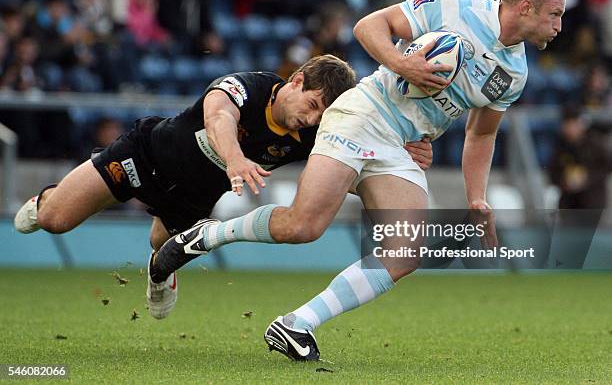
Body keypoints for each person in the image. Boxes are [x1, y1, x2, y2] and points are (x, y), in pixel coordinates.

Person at [149, 0, 565, 361]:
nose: (559, 26)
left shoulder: (515, 72)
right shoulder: (456, 7)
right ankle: (211, 234)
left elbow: (481, 134)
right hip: (365, 114)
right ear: (525, 7)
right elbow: (368, 26)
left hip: (400, 146)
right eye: (555, 15)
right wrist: (402, 64)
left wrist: (477, 197)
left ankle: (297, 324)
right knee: (304, 226)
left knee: (405, 251)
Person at [13, 54, 433, 319]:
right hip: (144, 156)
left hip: (193, 196)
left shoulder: (311, 135)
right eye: (312, 106)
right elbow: (219, 119)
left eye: (320, 117)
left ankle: (159, 275)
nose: (310, 120)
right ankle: (47, 196)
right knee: (54, 220)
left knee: (163, 248)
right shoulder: (248, 86)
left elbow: (344, 170)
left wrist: (395, 161)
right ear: (297, 80)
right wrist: (235, 159)